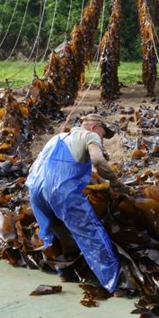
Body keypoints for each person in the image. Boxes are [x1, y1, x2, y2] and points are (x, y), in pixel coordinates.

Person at [25, 113, 127, 292]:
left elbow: (38, 166)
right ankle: (115, 284)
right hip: (61, 191)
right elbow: (97, 160)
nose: (103, 139)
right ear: (95, 127)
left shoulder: (57, 138)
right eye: (104, 134)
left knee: (53, 231)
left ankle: (64, 271)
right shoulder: (89, 135)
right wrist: (116, 183)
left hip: (34, 188)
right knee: (90, 233)